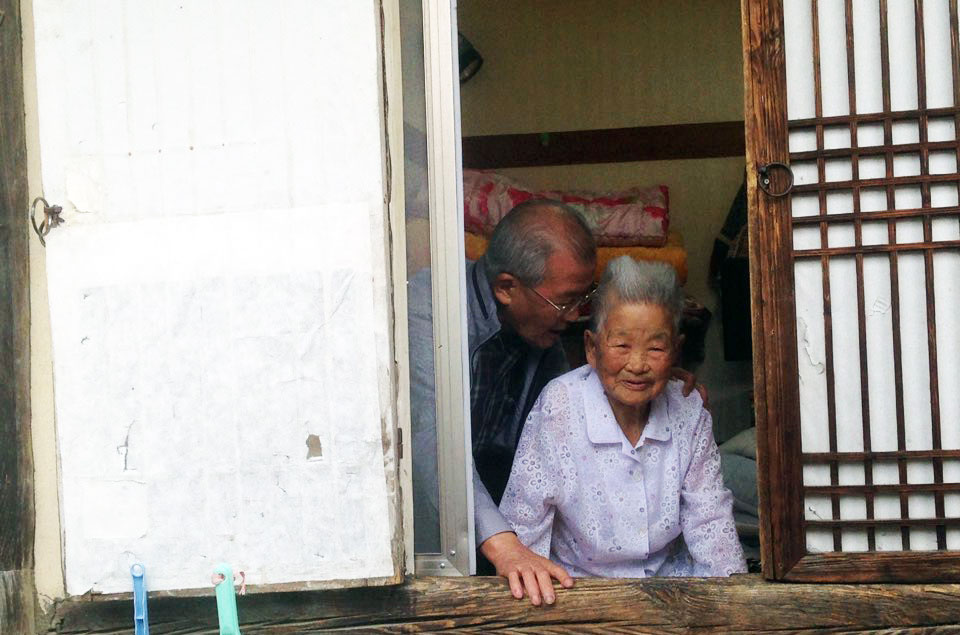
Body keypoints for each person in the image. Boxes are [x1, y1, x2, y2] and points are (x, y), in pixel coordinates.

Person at [408, 201, 698, 605]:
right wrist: (504, 545)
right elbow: (429, 440)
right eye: (566, 302)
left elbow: (570, 392)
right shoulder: (431, 309)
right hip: (435, 522)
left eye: (586, 297)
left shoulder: (538, 327)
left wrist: (651, 374)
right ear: (506, 288)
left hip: (510, 503)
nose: (575, 315)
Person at [499, 257, 745, 578]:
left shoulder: (688, 408)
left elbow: (710, 519)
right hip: (578, 587)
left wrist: (732, 602)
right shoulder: (559, 406)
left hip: (669, 587)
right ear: (592, 347)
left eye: (656, 349)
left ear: (676, 351)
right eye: (621, 345)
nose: (638, 364)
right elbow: (526, 524)